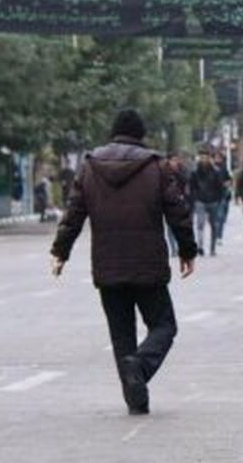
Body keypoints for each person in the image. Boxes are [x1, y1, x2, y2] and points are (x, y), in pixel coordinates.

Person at [49, 109, 196, 415]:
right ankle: (140, 367)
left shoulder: (89, 167)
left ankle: (136, 401)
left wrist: (60, 251)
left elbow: (74, 213)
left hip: (108, 266)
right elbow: (177, 212)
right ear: (141, 135)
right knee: (164, 325)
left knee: (121, 335)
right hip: (148, 266)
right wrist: (187, 250)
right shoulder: (155, 167)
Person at [190, 148, 227, 256]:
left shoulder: (216, 171)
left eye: (206, 158)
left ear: (210, 159)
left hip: (213, 201)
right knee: (200, 224)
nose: (204, 160)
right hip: (200, 201)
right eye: (202, 158)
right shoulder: (195, 172)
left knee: (213, 225)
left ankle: (212, 248)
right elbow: (192, 187)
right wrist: (195, 198)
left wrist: (218, 199)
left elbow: (220, 187)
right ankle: (200, 246)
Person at [164, 153, 191, 258]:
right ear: (168, 160)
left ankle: (180, 246)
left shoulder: (182, 170)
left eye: (176, 160)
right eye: (173, 160)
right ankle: (173, 249)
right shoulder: (163, 172)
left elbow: (186, 182)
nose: (175, 162)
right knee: (170, 227)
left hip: (181, 202)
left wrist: (177, 172)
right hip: (167, 203)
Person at [212, 150, 232, 245]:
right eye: (216, 158)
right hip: (212, 196)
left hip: (222, 195)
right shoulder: (211, 168)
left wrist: (227, 183)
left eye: (219, 158)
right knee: (214, 218)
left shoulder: (224, 168)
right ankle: (215, 235)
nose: (217, 159)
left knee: (220, 217)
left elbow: (229, 179)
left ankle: (219, 236)